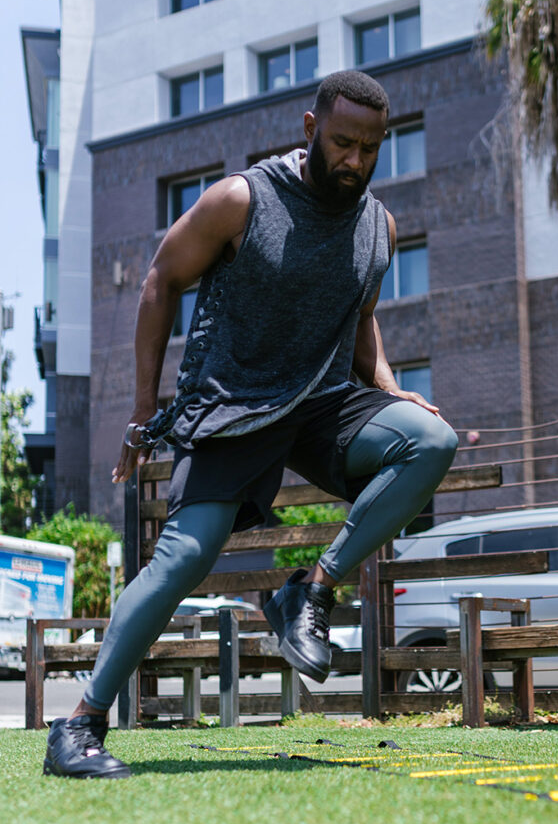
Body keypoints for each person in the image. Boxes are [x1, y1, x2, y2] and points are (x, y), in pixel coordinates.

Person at [43, 70, 458, 779]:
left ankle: (311, 590)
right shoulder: (241, 200)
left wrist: (390, 388)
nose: (354, 160)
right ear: (309, 129)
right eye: (341, 143)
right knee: (184, 556)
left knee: (430, 441)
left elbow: (360, 320)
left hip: (322, 402)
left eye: (369, 147)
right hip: (234, 405)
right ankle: (79, 724)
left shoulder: (376, 226)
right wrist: (144, 412)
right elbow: (159, 281)